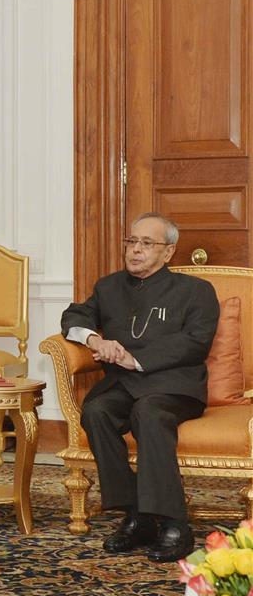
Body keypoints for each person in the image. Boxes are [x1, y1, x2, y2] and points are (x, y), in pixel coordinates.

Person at [61, 212, 219, 562]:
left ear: (168, 252)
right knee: (97, 410)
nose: (135, 250)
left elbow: (196, 342)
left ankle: (176, 524)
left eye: (147, 243)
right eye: (131, 241)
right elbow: (73, 316)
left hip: (175, 387)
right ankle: (137, 515)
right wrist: (94, 340)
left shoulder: (196, 291)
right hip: (125, 384)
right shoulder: (109, 286)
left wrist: (134, 358)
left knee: (147, 411)